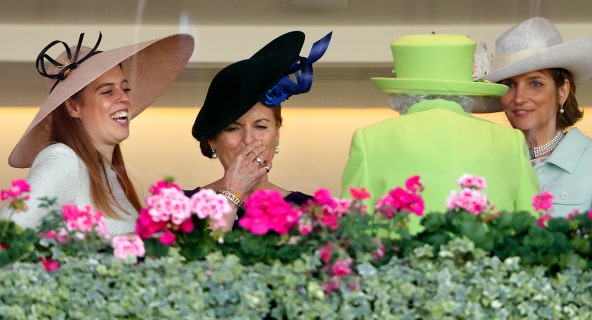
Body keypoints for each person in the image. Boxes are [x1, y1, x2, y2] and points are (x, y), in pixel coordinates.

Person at [341, 33, 540, 234]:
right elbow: (533, 232)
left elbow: (352, 234)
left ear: (399, 90)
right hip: (487, 264)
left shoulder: (369, 140)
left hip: (399, 264)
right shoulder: (510, 141)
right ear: (467, 88)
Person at [0, 32, 195, 235]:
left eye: (125, 89)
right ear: (73, 107)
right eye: (107, 91)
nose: (124, 98)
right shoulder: (64, 160)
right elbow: (6, 238)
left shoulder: (109, 175)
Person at [483, 17, 592, 217]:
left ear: (562, 91)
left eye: (535, 83)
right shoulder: (489, 162)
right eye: (509, 85)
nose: (519, 98)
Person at [188, 31, 332, 229]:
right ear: (213, 140)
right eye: (233, 128)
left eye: (261, 126)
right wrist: (231, 193)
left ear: (277, 134)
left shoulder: (309, 211)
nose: (248, 139)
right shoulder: (181, 208)